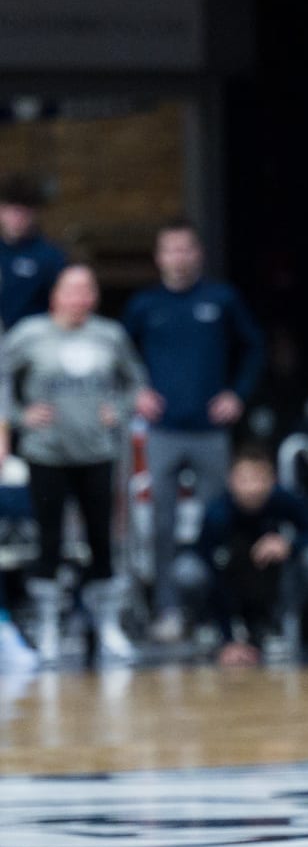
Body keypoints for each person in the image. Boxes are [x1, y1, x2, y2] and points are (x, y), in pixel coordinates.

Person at [123, 222, 266, 643]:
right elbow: (121, 352)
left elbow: (253, 346)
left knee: (217, 523)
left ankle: (215, 614)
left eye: (186, 249)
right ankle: (168, 610)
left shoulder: (220, 298)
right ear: (159, 256)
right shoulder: (145, 304)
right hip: (163, 430)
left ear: (197, 254)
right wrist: (136, 391)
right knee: (160, 527)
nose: (179, 258)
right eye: (171, 250)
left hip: (210, 431)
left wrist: (237, 395)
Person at [1, 264, 150, 666]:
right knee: (49, 542)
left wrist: (117, 410)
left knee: (102, 541)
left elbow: (135, 380)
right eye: (71, 291)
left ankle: (107, 627)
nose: (78, 299)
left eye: (87, 291)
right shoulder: (30, 334)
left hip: (97, 452)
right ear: (55, 296)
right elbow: (2, 376)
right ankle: (48, 629)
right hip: (46, 452)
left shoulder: (109, 335)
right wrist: (18, 415)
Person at [170, 445, 308, 665]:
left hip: (268, 585)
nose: (252, 488)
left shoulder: (283, 501)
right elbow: (211, 571)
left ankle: (271, 626)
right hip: (226, 586)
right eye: (245, 479)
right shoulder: (218, 513)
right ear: (231, 481)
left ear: (272, 480)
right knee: (187, 571)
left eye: (259, 479)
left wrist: (289, 545)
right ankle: (209, 627)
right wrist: (228, 639)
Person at [0, 175, 68, 328]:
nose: (17, 218)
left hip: (34, 336)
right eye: (13, 211)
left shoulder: (49, 256)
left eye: (24, 212)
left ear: (33, 214)